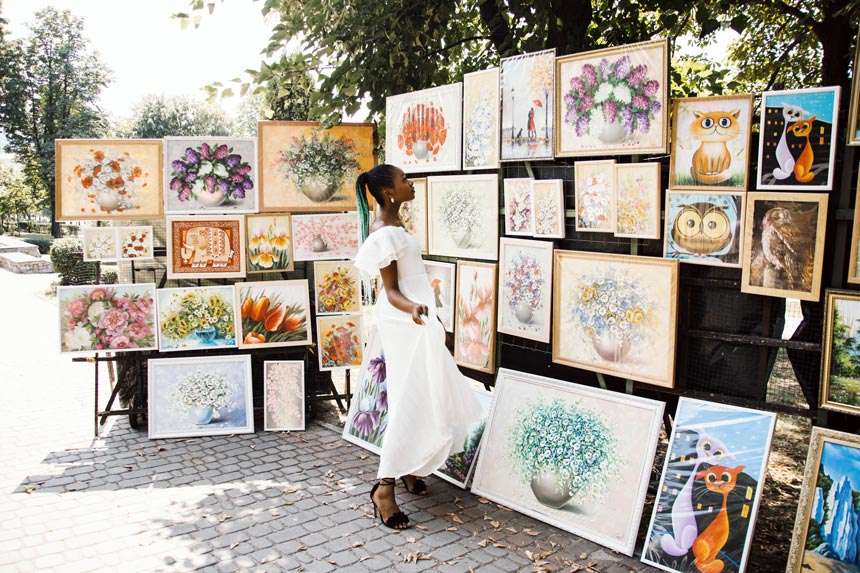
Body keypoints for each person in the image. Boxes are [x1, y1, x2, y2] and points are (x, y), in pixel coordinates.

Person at [353, 164, 483, 530]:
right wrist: (414, 308)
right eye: (404, 180)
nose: (410, 184)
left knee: (424, 391)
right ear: (390, 193)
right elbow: (390, 291)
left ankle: (410, 468)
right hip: (404, 320)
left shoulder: (395, 228)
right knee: (409, 394)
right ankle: (384, 487)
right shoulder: (383, 233)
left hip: (417, 319)